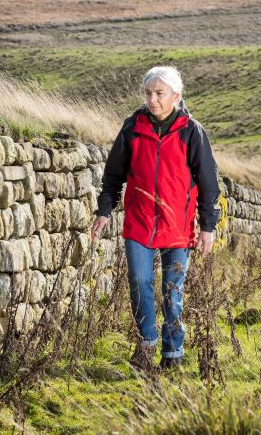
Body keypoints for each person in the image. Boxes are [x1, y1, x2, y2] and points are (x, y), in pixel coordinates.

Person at [90, 66, 220, 371]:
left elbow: (208, 183)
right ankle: (145, 345)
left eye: (159, 93)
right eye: (148, 93)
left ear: (176, 95)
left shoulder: (192, 131)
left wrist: (207, 227)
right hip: (139, 221)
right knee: (139, 283)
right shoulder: (133, 127)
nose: (152, 99)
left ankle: (173, 355)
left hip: (177, 224)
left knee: (172, 292)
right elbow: (113, 174)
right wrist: (105, 210)